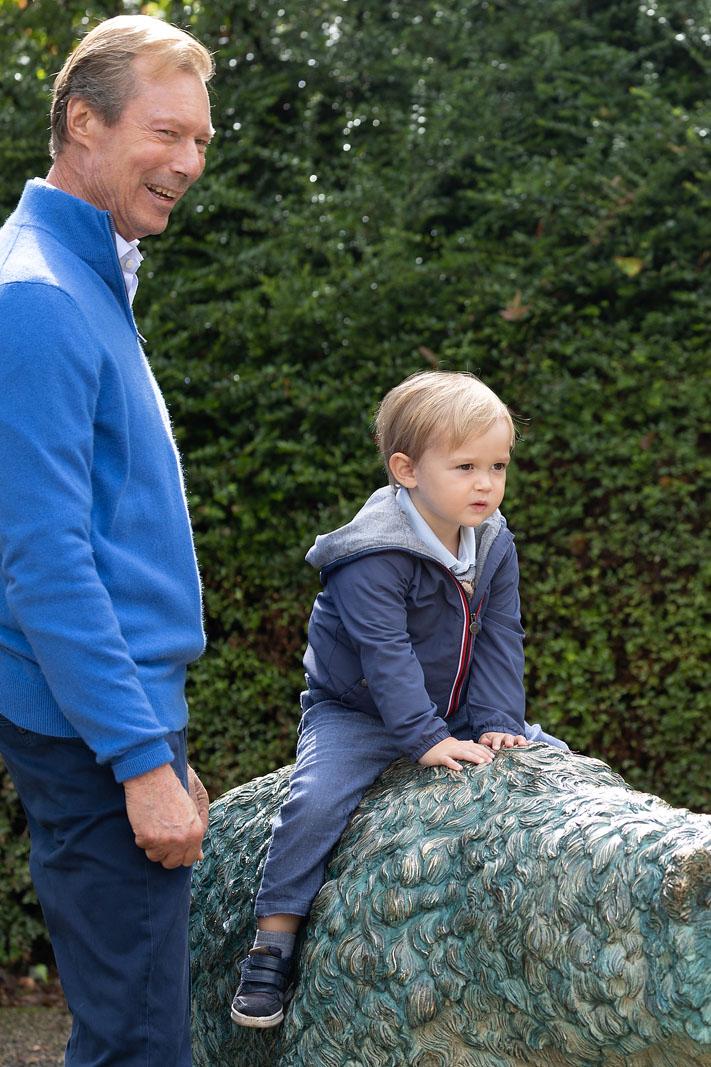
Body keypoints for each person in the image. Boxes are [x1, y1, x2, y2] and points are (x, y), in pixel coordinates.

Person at [0, 15, 215, 1066]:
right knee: (137, 1047)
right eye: (166, 133)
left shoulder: (88, 276)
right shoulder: (35, 298)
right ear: (82, 122)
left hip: (121, 716)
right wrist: (139, 759)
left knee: (135, 1031)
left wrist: (160, 742)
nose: (187, 162)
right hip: (92, 732)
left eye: (202, 143)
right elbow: (44, 561)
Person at [230, 369, 569, 1028]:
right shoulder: (369, 554)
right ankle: (270, 943)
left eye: (496, 465)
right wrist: (425, 739)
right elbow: (384, 658)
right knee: (314, 800)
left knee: (552, 761)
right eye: (465, 465)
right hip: (358, 711)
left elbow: (501, 632)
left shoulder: (492, 540)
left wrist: (498, 721)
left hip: (459, 705)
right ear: (406, 469)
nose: (485, 483)